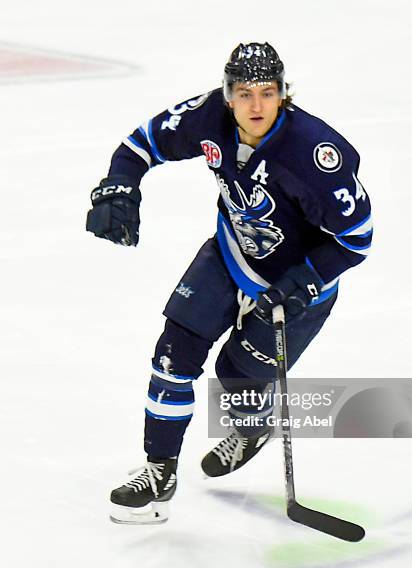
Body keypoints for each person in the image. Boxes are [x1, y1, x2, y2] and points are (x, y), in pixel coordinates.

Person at [86, 42, 372, 524]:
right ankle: (159, 471)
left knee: (236, 375)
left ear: (284, 94)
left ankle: (253, 425)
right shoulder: (207, 119)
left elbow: (357, 238)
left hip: (298, 283)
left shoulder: (316, 154)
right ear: (227, 95)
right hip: (232, 252)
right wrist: (119, 185)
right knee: (173, 355)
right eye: (243, 93)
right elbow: (140, 144)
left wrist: (303, 279)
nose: (255, 106)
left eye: (267, 92)